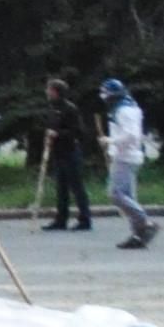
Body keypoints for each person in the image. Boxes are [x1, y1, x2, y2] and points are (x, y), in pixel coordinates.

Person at [33, 72, 97, 232]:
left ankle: (85, 219)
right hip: (58, 153)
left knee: (77, 187)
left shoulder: (70, 109)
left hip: (70, 152)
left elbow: (78, 132)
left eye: (49, 89)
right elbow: (52, 126)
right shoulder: (53, 108)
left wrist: (58, 134)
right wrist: (49, 134)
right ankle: (61, 219)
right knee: (61, 188)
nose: (47, 92)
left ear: (56, 91)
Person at [100, 77, 155, 250]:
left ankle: (144, 222)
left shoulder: (124, 110)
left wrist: (111, 141)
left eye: (106, 94)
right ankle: (138, 234)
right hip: (127, 155)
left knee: (115, 193)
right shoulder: (128, 107)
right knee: (128, 197)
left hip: (125, 156)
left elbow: (131, 135)